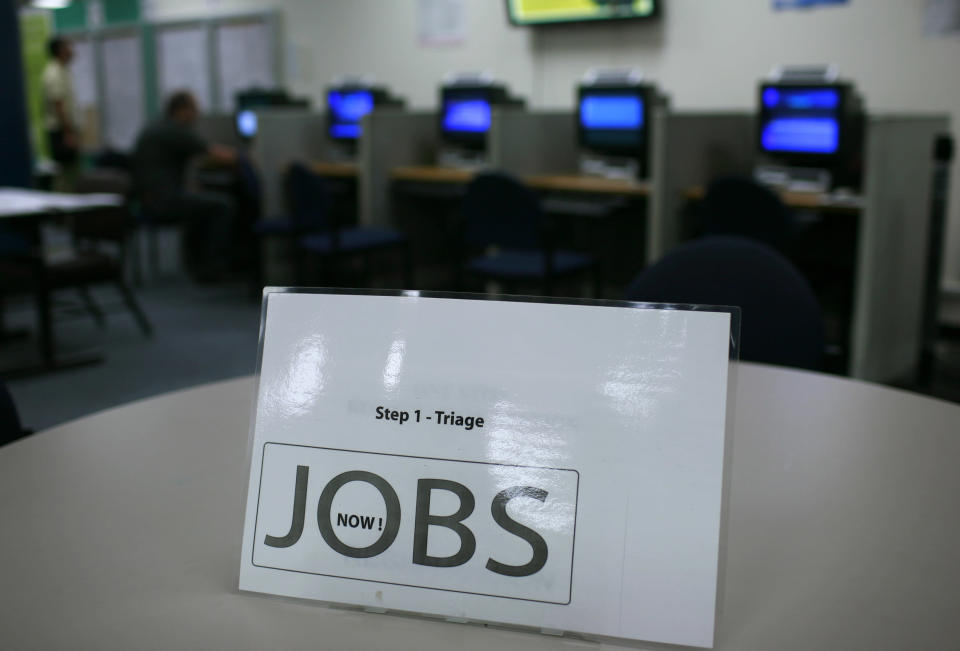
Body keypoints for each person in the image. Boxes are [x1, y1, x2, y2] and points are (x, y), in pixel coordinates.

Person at [132, 91, 238, 281]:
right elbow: (217, 154)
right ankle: (213, 267)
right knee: (223, 205)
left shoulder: (158, 127)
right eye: (194, 110)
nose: (196, 115)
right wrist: (247, 158)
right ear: (181, 110)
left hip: (149, 199)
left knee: (202, 202)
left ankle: (196, 263)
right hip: (163, 202)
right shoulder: (175, 130)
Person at [42, 36, 79, 191]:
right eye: (68, 46)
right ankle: (63, 212)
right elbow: (59, 105)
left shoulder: (63, 70)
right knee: (65, 176)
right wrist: (68, 133)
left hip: (65, 130)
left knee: (71, 174)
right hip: (61, 131)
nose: (72, 50)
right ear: (60, 50)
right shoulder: (54, 73)